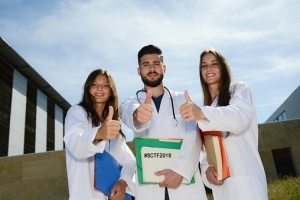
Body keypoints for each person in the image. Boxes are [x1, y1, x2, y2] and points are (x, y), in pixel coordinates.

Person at [120, 45, 207, 200]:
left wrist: (181, 171)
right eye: (145, 65)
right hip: (150, 188)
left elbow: (194, 137)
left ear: (164, 68)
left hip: (184, 184)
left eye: (156, 63)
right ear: (139, 71)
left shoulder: (182, 99)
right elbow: (127, 112)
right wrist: (137, 115)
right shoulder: (131, 102)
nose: (151, 68)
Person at [179, 48, 268, 200]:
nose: (209, 69)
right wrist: (207, 170)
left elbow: (238, 117)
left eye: (214, 64)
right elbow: (205, 152)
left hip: (247, 184)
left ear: (223, 67)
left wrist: (200, 113)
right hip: (223, 189)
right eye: (204, 65)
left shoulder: (239, 89)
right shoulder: (206, 108)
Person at [64, 69, 135, 200]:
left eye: (105, 85)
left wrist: (123, 182)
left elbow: (130, 161)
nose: (99, 89)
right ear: (88, 88)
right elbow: (74, 143)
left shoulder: (114, 129)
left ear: (111, 90)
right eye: (94, 84)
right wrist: (99, 134)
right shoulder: (76, 112)